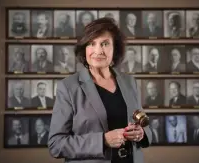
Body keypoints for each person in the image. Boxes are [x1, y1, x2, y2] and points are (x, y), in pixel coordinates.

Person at [48, 17, 152, 163]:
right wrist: (102, 140)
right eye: (92, 43)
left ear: (114, 48)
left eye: (105, 44)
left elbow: (144, 124)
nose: (98, 50)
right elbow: (56, 145)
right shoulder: (68, 87)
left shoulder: (130, 82)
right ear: (84, 48)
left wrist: (142, 133)